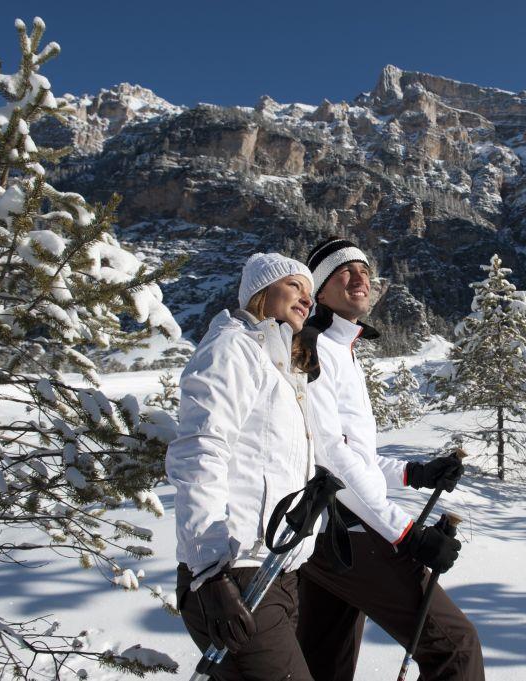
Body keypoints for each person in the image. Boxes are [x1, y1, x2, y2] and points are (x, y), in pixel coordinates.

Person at [296, 237, 485, 680]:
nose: (360, 277)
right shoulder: (315, 347)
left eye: (364, 270)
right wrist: (406, 534)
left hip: (330, 534)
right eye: (345, 271)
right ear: (320, 290)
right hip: (348, 533)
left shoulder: (339, 347)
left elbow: (354, 455)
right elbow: (329, 458)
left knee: (323, 664)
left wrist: (414, 472)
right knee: (455, 648)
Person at [167, 252, 318, 681]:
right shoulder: (233, 347)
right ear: (261, 291)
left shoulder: (280, 367)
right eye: (295, 287)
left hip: (277, 572)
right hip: (234, 571)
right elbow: (200, 453)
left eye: (310, 294)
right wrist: (210, 573)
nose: (306, 299)